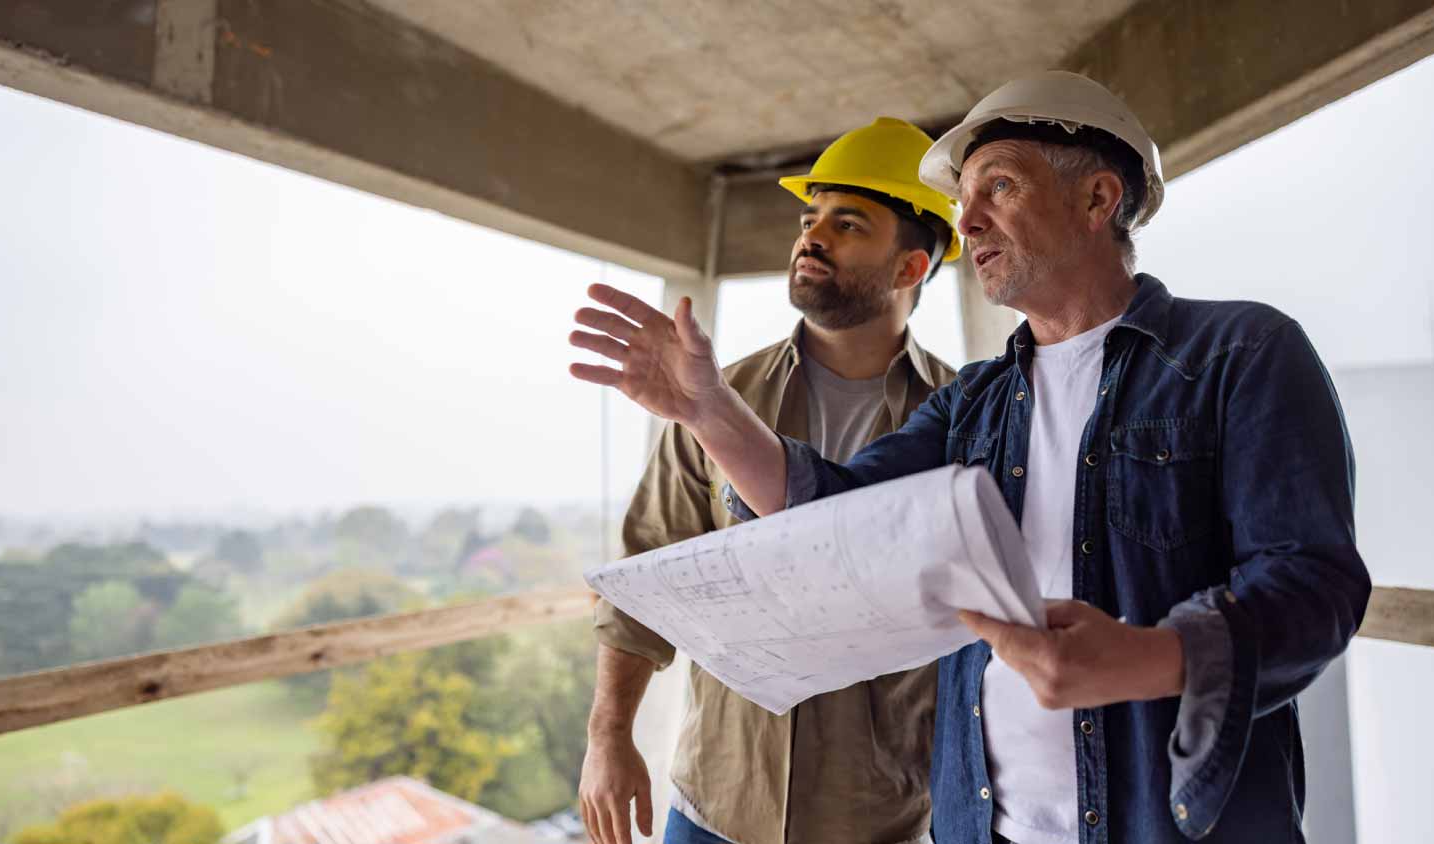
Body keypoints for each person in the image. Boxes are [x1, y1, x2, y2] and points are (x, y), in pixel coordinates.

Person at [569, 72, 1369, 844]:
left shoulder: (1241, 354)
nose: (970, 222)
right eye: (965, 201)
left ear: (1098, 198)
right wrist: (710, 412)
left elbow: (1317, 587)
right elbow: (833, 512)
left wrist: (1151, 659)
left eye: (999, 188)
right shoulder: (977, 401)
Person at [575, 117, 961, 844]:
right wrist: (608, 736)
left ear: (912, 267)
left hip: (878, 815)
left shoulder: (965, 417)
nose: (811, 237)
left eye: (848, 224)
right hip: (718, 802)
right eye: (810, 219)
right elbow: (644, 568)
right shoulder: (717, 396)